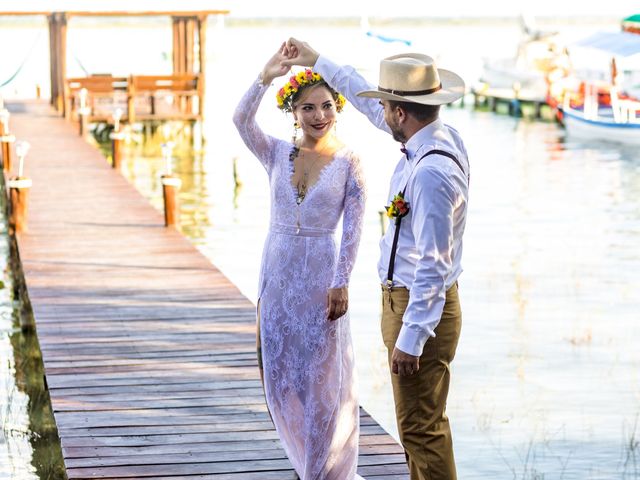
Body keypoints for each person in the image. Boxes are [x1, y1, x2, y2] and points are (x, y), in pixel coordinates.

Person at [282, 39, 469, 480]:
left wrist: (412, 337)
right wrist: (318, 61)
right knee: (419, 427)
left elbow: (434, 266)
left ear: (401, 113)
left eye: (387, 106)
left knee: (422, 430)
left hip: (419, 309)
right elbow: (368, 103)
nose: (381, 113)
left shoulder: (431, 173)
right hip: (405, 303)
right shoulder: (436, 138)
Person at [232, 43, 366, 480]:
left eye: (326, 106)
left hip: (321, 276)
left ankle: (318, 469)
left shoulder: (350, 162)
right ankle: (300, 454)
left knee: (322, 382)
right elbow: (239, 120)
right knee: (282, 376)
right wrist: (265, 74)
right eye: (308, 107)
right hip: (277, 270)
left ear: (337, 107)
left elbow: (353, 229)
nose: (318, 115)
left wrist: (342, 280)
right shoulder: (275, 153)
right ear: (293, 112)